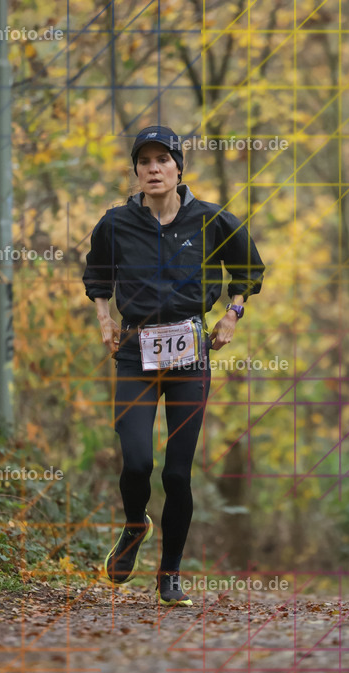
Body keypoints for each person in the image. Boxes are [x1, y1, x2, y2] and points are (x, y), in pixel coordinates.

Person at [82, 125, 265, 606]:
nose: (154, 168)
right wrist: (104, 319)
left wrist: (232, 314)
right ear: (136, 171)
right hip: (135, 351)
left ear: (179, 166)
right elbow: (97, 273)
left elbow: (248, 268)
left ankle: (170, 574)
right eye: (145, 161)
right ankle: (133, 524)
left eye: (163, 159)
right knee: (138, 461)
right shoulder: (116, 224)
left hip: (190, 352)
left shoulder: (211, 220)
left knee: (177, 474)